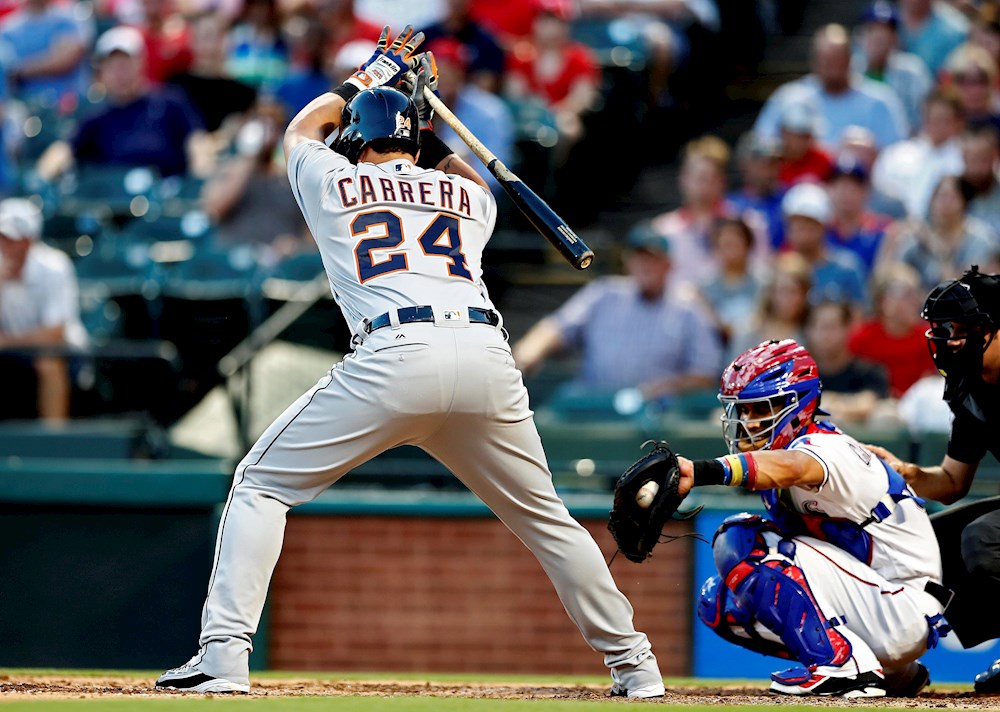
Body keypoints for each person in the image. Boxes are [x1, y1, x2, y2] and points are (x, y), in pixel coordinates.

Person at [154, 29, 665, 698]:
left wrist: (370, 76)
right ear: (419, 143)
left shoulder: (335, 177)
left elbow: (305, 128)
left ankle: (223, 656)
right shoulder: (469, 201)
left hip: (395, 354)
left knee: (259, 483)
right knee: (547, 520)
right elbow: (467, 175)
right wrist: (428, 118)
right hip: (485, 357)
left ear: (359, 142)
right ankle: (636, 664)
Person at [680, 339, 948, 697]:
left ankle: (842, 664)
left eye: (759, 409)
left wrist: (702, 471)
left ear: (796, 405)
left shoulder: (826, 446)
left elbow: (794, 467)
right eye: (742, 412)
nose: (746, 423)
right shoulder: (794, 450)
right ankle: (893, 671)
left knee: (741, 540)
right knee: (722, 603)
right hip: (881, 600)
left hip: (903, 603)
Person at [864, 266, 1000, 693]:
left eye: (962, 328)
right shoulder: (970, 387)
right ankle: (894, 667)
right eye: (944, 328)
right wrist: (904, 472)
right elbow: (952, 480)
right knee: (927, 544)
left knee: (985, 540)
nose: (950, 338)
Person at [512, 220, 723, 410]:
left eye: (653, 259)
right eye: (640, 258)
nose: (645, 266)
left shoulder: (688, 307)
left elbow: (705, 375)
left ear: (669, 264)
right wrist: (528, 353)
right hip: (597, 409)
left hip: (659, 417)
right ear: (627, 262)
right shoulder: (604, 293)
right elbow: (557, 327)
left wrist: (668, 387)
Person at [36, 25, 208, 181]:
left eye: (125, 65)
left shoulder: (170, 102)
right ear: (102, 72)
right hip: (111, 200)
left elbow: (197, 143)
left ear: (141, 63)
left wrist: (199, 178)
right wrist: (43, 176)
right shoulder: (96, 115)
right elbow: (64, 149)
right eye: (112, 66)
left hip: (166, 191)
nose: (119, 73)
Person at [754, 24, 910, 153]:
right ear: (814, 62)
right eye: (827, 62)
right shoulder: (789, 98)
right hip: (800, 184)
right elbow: (761, 145)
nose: (833, 71)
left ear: (850, 59)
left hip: (860, 184)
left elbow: (898, 154)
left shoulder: (880, 99)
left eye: (838, 61)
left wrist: (868, 151)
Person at [0, 197, 87, 422]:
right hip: (13, 352)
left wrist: (7, 342)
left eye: (10, 239)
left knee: (47, 363)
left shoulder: (55, 267)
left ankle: (53, 442)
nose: (4, 246)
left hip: (63, 351)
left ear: (29, 242)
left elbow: (54, 335)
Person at [804, 299, 891, 425]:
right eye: (821, 327)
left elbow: (868, 403)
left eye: (832, 327)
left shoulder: (870, 373)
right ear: (808, 331)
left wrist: (830, 404)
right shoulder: (798, 376)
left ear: (848, 329)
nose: (826, 335)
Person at [854, 0, 933, 132]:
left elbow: (926, 115)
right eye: (872, 29)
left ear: (896, 37)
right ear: (860, 36)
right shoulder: (850, 70)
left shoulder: (913, 71)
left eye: (887, 30)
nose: (879, 35)